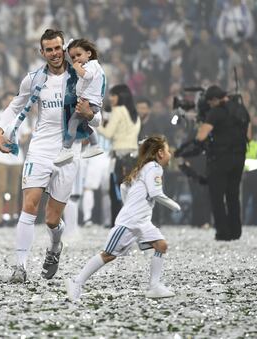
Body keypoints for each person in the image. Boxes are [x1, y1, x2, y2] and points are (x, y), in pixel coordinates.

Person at [0, 29, 101, 283]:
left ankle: (54, 247)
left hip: (68, 150)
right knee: (29, 205)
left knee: (52, 219)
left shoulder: (82, 77)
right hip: (40, 148)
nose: (54, 53)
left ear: (64, 49)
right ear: (42, 52)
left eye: (58, 48)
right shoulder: (33, 79)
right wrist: (0, 132)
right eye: (49, 49)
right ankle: (19, 267)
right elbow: (15, 106)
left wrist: (89, 114)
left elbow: (98, 117)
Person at [65, 135, 181, 301]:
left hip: (142, 222)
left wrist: (130, 205)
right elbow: (155, 193)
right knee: (108, 255)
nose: (170, 155)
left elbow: (124, 186)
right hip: (131, 222)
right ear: (160, 153)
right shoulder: (154, 168)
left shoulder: (143, 168)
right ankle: (76, 282)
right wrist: (173, 205)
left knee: (161, 245)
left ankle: (154, 286)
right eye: (168, 151)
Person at [196, 85, 251, 240]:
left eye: (210, 102)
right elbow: (249, 135)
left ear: (214, 99)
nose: (209, 105)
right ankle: (236, 231)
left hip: (220, 158)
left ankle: (223, 232)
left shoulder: (216, 112)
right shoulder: (242, 109)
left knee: (217, 196)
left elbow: (201, 136)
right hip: (239, 157)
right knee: (233, 195)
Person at [54, 38, 106, 165]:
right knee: (84, 126)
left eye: (79, 55)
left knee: (72, 122)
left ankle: (66, 149)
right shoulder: (88, 65)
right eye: (73, 57)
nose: (76, 59)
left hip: (89, 103)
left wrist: (77, 67)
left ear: (88, 53)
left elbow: (87, 76)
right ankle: (95, 145)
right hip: (88, 101)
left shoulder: (92, 65)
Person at [97, 84, 141, 224]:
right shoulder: (134, 113)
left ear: (121, 96)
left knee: (116, 194)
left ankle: (117, 226)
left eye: (113, 95)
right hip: (134, 157)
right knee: (132, 195)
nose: (110, 98)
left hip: (120, 157)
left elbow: (108, 133)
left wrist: (95, 122)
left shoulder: (119, 110)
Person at [0, 92, 31, 227]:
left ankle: (13, 216)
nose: (9, 103)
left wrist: (17, 142)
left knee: (14, 190)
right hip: (0, 157)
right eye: (7, 100)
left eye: (12, 100)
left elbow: (24, 135)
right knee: (0, 188)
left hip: (16, 158)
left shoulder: (20, 117)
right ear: (2, 102)